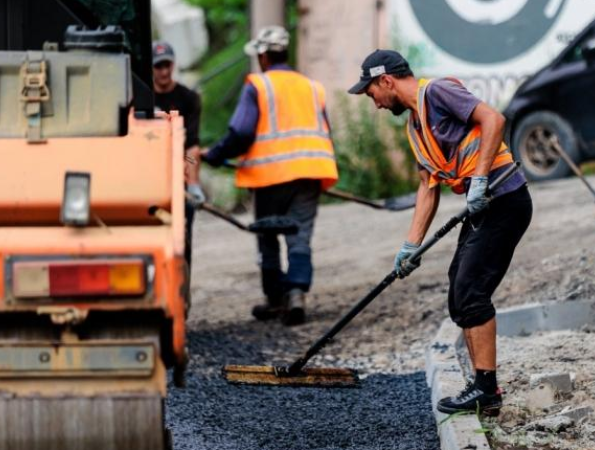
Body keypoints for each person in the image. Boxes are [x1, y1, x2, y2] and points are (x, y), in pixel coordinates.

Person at [349, 50, 532, 416]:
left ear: (386, 81)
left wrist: (479, 178)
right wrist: (410, 246)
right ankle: (479, 386)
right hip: (485, 205)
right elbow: (427, 188)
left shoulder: (436, 93)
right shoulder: (414, 128)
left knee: (470, 290)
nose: (376, 104)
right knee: (458, 289)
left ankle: (485, 389)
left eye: (371, 94)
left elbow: (494, 119)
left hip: (503, 198)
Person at [200, 26, 338, 326]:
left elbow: (241, 130)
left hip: (270, 175)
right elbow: (324, 129)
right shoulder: (312, 87)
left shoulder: (259, 85)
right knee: (300, 236)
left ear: (263, 56)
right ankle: (298, 293)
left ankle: (276, 299)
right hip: (311, 172)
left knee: (268, 236)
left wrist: (214, 155)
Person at [152, 41, 205, 272]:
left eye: (167, 65)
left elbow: (192, 148)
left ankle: (181, 279)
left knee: (183, 232)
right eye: (158, 66)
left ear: (173, 65)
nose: (163, 71)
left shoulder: (188, 99)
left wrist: (193, 184)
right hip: (148, 173)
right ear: (152, 68)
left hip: (180, 168)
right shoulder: (141, 98)